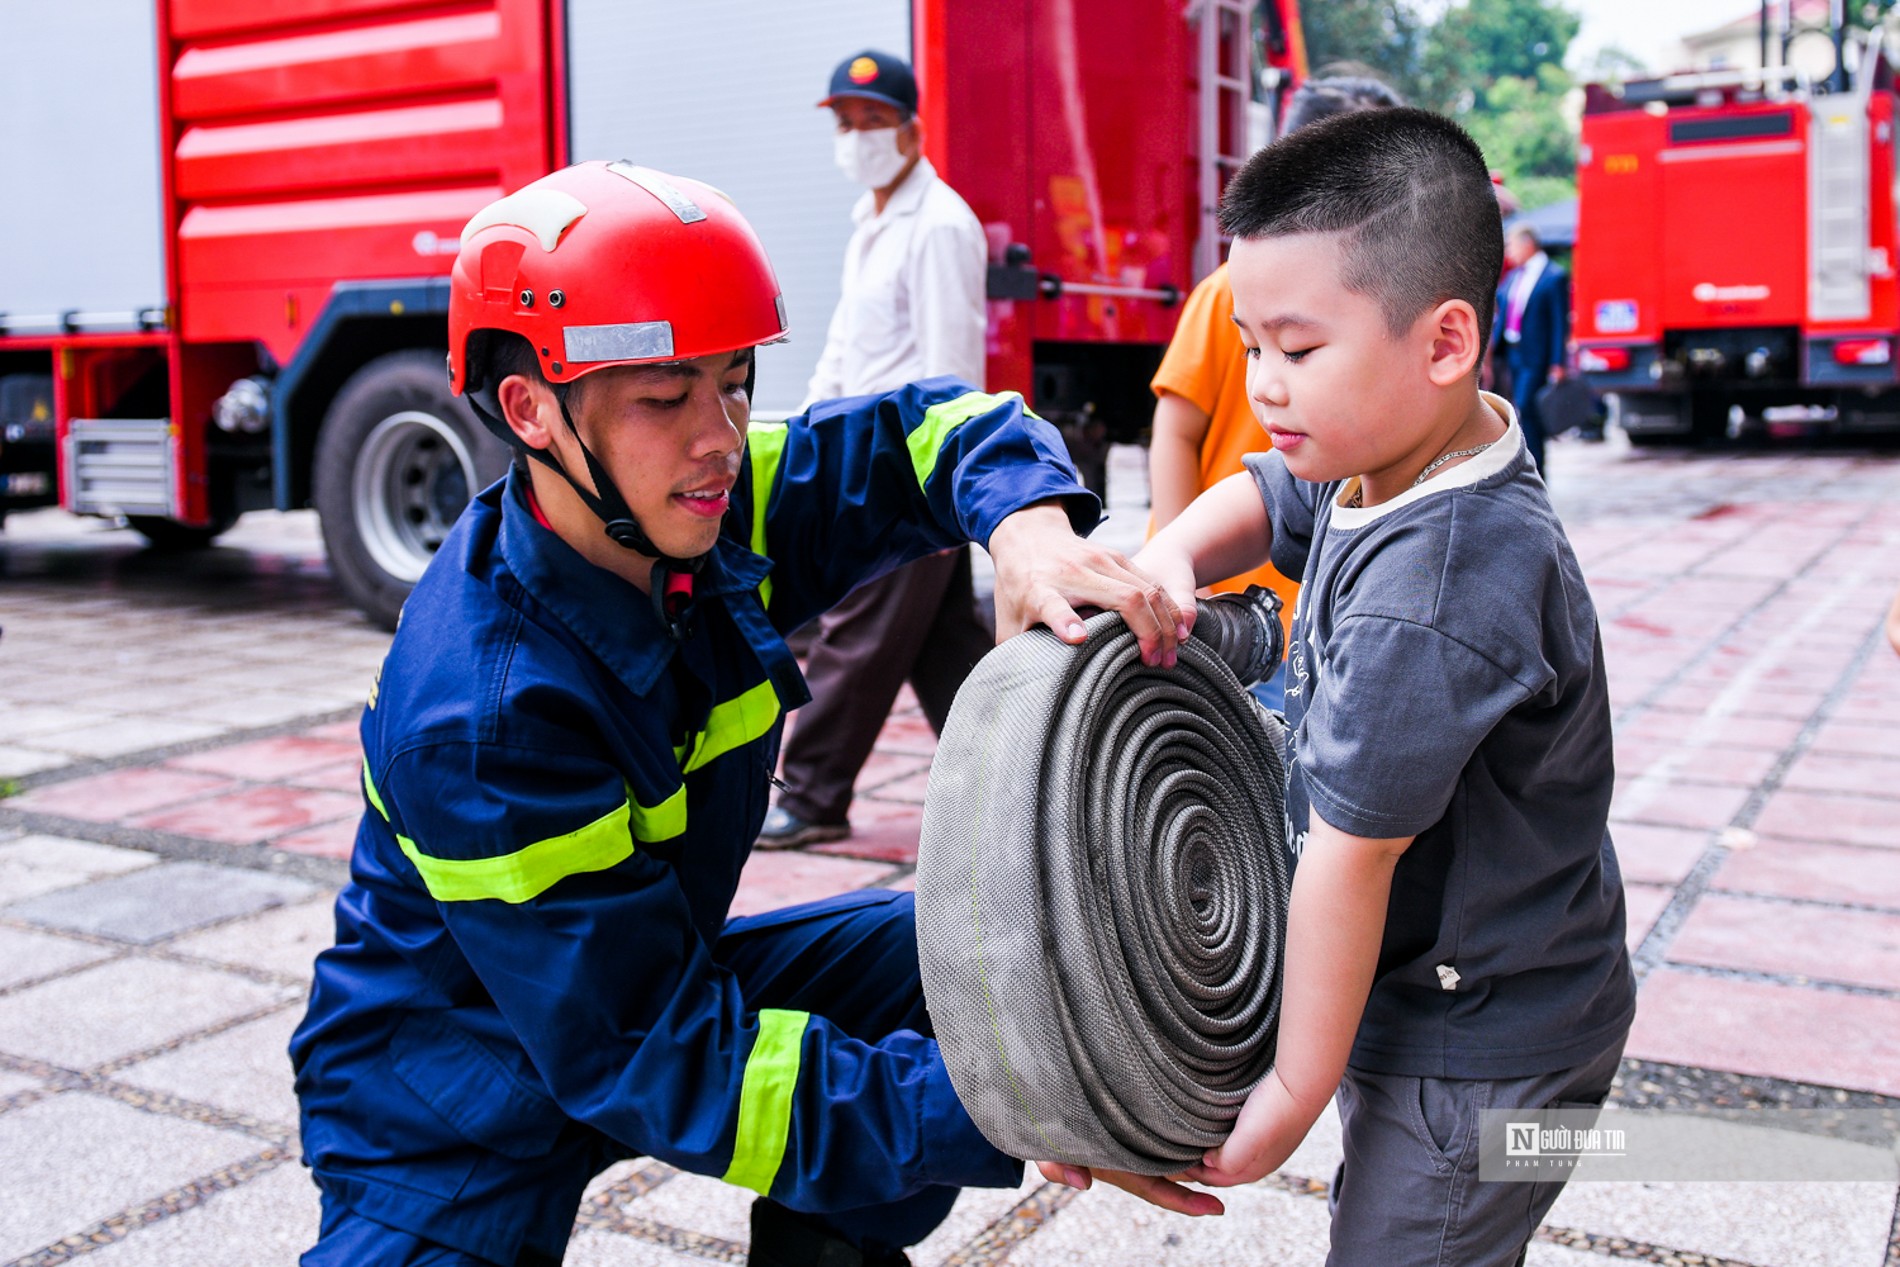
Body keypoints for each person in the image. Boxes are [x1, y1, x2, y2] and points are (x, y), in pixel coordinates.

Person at [289, 160, 1183, 1267]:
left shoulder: (707, 497)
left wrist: (1028, 530)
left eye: (735, 381)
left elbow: (933, 426)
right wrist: (1016, 1105)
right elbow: (654, 1058)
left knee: (944, 964)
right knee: (927, 1083)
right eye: (666, 396)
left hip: (637, 984)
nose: (719, 432)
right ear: (530, 410)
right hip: (447, 1088)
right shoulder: (482, 711)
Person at [1053, 109, 1638, 1259]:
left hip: (1489, 1057)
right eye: (1251, 346)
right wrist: (1169, 554)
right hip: (1475, 994)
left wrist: (1288, 1095)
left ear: (1443, 341)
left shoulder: (1437, 591)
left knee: (1406, 1235)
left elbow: (1345, 859)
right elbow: (1269, 491)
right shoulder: (1402, 452)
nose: (1264, 386)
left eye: (1298, 350)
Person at [756, 49, 992, 849]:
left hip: (907, 470)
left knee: (854, 632)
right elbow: (847, 351)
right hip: (862, 459)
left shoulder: (940, 227)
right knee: (945, 643)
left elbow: (951, 372)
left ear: (913, 128)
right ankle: (1016, 774)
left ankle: (814, 794)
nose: (857, 137)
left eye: (873, 122)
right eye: (846, 123)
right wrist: (804, 431)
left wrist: (932, 484)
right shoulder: (872, 220)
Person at [1147, 73, 1402, 712]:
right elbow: (1176, 429)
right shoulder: (1227, 292)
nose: (1266, 385)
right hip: (1227, 597)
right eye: (1256, 350)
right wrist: (1180, 564)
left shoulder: (1379, 304)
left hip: (1321, 609)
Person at [1493, 222, 1570, 474]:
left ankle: (1535, 469)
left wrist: (1558, 362)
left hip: (1537, 357)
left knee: (1527, 408)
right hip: (1511, 353)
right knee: (1516, 409)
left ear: (1528, 244)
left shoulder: (1553, 276)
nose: (1509, 253)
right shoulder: (1513, 277)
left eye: (1512, 246)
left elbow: (1560, 322)